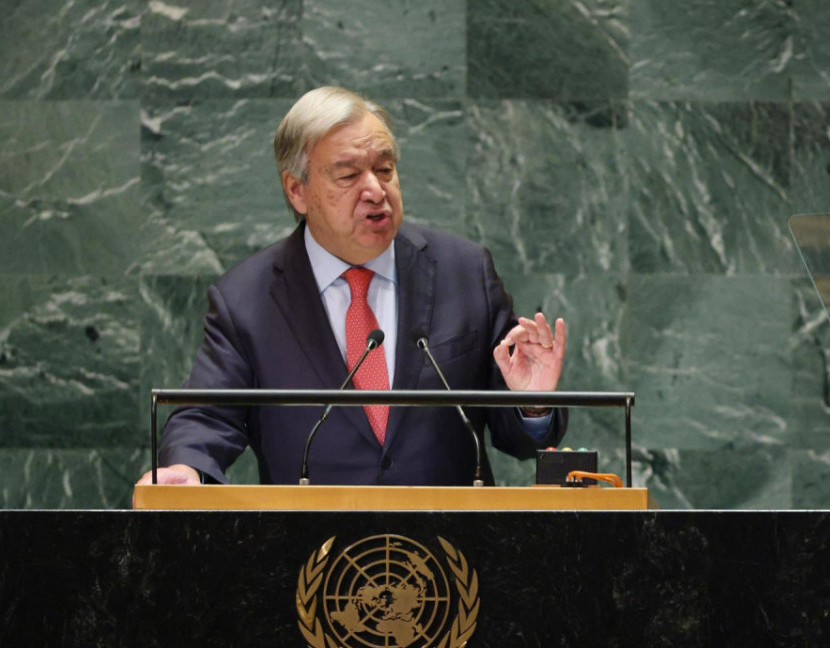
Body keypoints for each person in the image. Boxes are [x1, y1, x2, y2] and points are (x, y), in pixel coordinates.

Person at [136, 86, 568, 488]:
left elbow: (522, 440)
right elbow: (207, 415)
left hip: (449, 555)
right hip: (315, 559)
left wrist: (531, 405)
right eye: (348, 176)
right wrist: (185, 466)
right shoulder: (247, 299)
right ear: (297, 191)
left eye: (385, 169)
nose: (376, 190)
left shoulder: (464, 271)